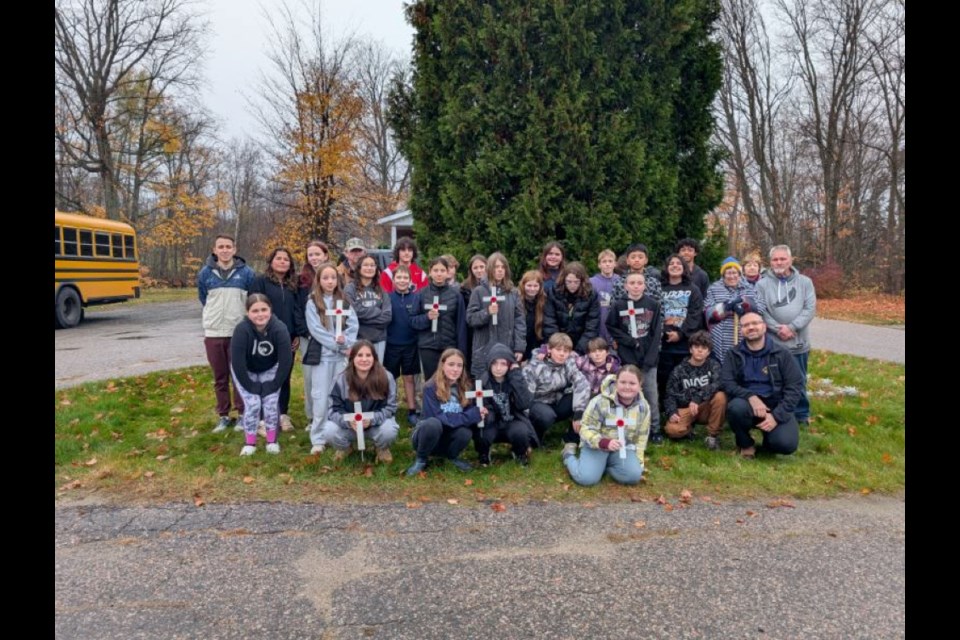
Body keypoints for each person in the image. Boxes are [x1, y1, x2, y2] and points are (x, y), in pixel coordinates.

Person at [720, 312, 803, 457]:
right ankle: (745, 443)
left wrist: (776, 416)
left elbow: (794, 387)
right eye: (746, 325)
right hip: (746, 404)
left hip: (776, 405)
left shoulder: (782, 354)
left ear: (764, 327)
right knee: (735, 408)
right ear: (741, 331)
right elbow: (727, 382)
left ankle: (770, 438)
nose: (751, 327)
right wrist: (750, 396)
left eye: (755, 323)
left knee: (785, 445)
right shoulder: (733, 354)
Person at [199, 234, 255, 433]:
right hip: (214, 332)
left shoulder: (247, 273)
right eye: (220, 246)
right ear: (214, 250)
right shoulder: (205, 273)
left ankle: (242, 414)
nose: (224, 250)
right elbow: (204, 298)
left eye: (228, 246)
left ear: (234, 249)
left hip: (238, 332)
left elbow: (252, 302)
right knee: (220, 377)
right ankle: (223, 415)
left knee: (239, 375)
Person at [755, 244, 816, 425]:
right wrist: (777, 328)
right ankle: (778, 413)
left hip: (798, 341)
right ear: (770, 262)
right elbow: (761, 310)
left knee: (798, 379)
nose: (779, 262)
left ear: (791, 260)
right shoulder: (762, 284)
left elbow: (810, 308)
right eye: (775, 259)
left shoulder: (805, 282)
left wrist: (792, 327)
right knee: (774, 380)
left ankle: (801, 414)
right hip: (773, 342)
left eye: (783, 259)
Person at [304, 261, 359, 454]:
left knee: (340, 395)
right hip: (322, 357)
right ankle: (318, 438)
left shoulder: (343, 301)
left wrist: (347, 344)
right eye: (325, 278)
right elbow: (316, 330)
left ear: (338, 280)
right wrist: (337, 344)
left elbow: (353, 325)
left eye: (333, 278)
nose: (329, 281)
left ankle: (339, 433)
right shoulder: (313, 302)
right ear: (318, 280)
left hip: (340, 358)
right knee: (320, 397)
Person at [562, 366, 650, 486]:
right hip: (596, 445)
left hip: (622, 448)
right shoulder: (599, 402)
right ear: (616, 382)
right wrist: (604, 442)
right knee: (586, 479)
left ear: (640, 385)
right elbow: (586, 428)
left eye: (632, 383)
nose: (627, 387)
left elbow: (641, 436)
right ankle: (568, 455)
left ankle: (604, 465)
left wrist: (639, 461)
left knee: (633, 476)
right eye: (623, 382)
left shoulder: (643, 407)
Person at [230, 293, 293, 456]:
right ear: (247, 312)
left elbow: (286, 360)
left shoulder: (279, 328)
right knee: (253, 404)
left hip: (270, 367)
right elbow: (237, 362)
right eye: (255, 311)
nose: (260, 314)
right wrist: (251, 386)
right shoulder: (241, 330)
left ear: (270, 310)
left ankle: (272, 441)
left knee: (271, 403)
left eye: (264, 309)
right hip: (246, 370)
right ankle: (250, 442)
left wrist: (273, 385)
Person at [405, 348, 485, 475]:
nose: (455, 369)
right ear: (442, 365)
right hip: (426, 437)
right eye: (451, 364)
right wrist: (469, 416)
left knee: (465, 432)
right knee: (433, 424)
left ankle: (451, 456)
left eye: (459, 365)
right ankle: (421, 459)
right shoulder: (430, 387)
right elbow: (438, 417)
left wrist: (478, 413)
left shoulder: (466, 388)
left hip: (448, 438)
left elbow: (470, 414)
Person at [606, 271, 664, 443]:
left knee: (651, 394)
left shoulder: (653, 304)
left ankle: (654, 429)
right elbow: (611, 326)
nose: (636, 286)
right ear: (626, 286)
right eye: (632, 283)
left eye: (639, 283)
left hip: (648, 358)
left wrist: (650, 358)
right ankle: (628, 428)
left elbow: (656, 333)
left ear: (644, 286)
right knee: (626, 392)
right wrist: (629, 341)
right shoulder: (618, 305)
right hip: (627, 357)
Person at [249, 247, 302, 432]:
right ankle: (264, 419)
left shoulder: (292, 284)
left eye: (286, 259)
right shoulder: (261, 282)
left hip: (288, 339)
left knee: (284, 377)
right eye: (278, 258)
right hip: (267, 337)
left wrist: (296, 335)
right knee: (266, 377)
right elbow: (255, 309)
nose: (282, 262)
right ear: (271, 261)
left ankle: (283, 415)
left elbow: (297, 311)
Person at [320, 340, 400, 464]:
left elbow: (391, 407)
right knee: (328, 430)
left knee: (389, 430)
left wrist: (372, 419)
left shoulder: (386, 377)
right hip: (350, 427)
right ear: (352, 358)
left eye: (368, 355)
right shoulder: (340, 379)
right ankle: (345, 448)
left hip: (375, 425)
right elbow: (332, 410)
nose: (364, 359)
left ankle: (381, 448)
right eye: (360, 355)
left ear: (374, 358)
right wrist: (347, 421)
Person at [522, 332, 591, 447]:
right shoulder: (534, 367)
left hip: (556, 401)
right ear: (549, 349)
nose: (562, 354)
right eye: (558, 350)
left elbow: (582, 383)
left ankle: (571, 438)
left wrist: (579, 412)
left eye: (566, 351)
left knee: (584, 398)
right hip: (536, 403)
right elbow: (525, 397)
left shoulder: (569, 362)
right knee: (547, 416)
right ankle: (534, 436)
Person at [475, 343, 537, 466]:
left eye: (503, 364)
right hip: (493, 423)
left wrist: (515, 376)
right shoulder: (482, 382)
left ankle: (519, 452)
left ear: (510, 365)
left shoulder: (515, 378)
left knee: (521, 432)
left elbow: (524, 403)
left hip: (512, 420)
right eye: (494, 363)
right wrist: (486, 413)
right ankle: (484, 454)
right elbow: (482, 406)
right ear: (489, 364)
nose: (498, 368)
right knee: (482, 433)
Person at [663, 330, 727, 449]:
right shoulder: (679, 369)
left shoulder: (714, 365)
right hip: (686, 408)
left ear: (708, 351)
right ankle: (688, 429)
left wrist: (698, 398)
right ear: (690, 349)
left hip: (706, 406)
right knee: (672, 431)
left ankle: (713, 436)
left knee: (721, 397)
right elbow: (669, 394)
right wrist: (671, 411)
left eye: (704, 347)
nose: (700, 350)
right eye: (696, 346)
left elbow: (719, 383)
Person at [657, 253, 705, 411]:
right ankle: (666, 408)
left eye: (679, 264)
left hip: (685, 343)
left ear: (684, 268)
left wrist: (680, 333)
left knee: (684, 377)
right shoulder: (659, 288)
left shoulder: (693, 289)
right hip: (663, 342)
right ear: (667, 268)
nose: (675, 266)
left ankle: (684, 408)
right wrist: (665, 331)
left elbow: (695, 314)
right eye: (671, 263)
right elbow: (655, 312)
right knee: (664, 376)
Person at [467, 252, 526, 378]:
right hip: (484, 347)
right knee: (484, 387)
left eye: (502, 267)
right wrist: (487, 312)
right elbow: (470, 319)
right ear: (489, 269)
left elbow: (519, 321)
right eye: (496, 267)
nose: (500, 270)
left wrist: (519, 348)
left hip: (507, 345)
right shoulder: (479, 291)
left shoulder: (513, 292)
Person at [409, 257, 467, 382]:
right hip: (428, 346)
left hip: (449, 347)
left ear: (447, 272)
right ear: (430, 272)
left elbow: (461, 324)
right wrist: (427, 317)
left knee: (450, 380)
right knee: (431, 381)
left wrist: (461, 350)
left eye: (442, 270)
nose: (439, 273)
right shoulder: (421, 294)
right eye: (435, 270)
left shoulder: (456, 295)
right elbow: (413, 321)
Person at [704, 257, 765, 364]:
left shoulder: (750, 288)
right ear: (723, 274)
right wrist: (725, 307)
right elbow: (707, 312)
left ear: (739, 273)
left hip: (745, 336)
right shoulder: (714, 289)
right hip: (721, 340)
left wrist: (746, 305)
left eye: (735, 273)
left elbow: (761, 308)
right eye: (728, 273)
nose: (732, 276)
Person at [297, 240, 330, 429]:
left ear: (325, 255)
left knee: (332, 376)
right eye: (311, 254)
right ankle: (312, 416)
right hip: (309, 337)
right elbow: (297, 310)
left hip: (332, 336)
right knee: (311, 377)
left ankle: (331, 412)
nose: (314, 257)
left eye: (318, 253)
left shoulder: (333, 277)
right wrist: (308, 332)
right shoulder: (302, 281)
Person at [384, 264, 422, 427]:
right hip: (391, 344)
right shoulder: (387, 297)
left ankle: (412, 410)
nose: (402, 280)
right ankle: (389, 409)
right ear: (393, 280)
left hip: (410, 344)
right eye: (398, 277)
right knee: (390, 378)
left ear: (410, 280)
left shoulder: (416, 297)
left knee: (409, 377)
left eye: (405, 277)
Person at [543, 261, 601, 355]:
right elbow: (549, 322)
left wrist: (579, 350)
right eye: (569, 282)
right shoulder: (554, 292)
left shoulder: (591, 295)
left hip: (581, 344)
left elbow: (592, 326)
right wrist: (559, 348)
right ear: (563, 279)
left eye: (576, 282)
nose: (572, 285)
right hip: (558, 344)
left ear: (582, 281)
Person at [345, 254, 392, 362]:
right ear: (359, 268)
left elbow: (387, 317)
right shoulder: (350, 288)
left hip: (378, 339)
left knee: (375, 373)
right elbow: (352, 312)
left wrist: (362, 319)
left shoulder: (381, 289)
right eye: (365, 265)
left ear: (376, 268)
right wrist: (376, 311)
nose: (369, 268)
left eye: (372, 265)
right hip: (357, 338)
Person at [460, 254, 488, 373]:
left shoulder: (493, 285)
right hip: (471, 330)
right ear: (471, 270)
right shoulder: (464, 288)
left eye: (482, 267)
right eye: (475, 268)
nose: (479, 270)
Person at [590, 249, 621, 343]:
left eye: (610, 261)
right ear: (599, 265)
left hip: (616, 324)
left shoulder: (621, 281)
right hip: (598, 325)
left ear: (615, 264)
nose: (607, 264)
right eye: (604, 261)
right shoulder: (591, 282)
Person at [518, 270, 548, 362]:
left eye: (535, 286)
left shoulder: (544, 302)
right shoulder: (517, 302)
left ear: (540, 287)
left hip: (536, 344)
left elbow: (547, 327)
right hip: (520, 344)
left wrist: (543, 348)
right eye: (529, 285)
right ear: (523, 286)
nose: (532, 289)